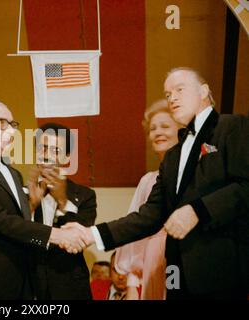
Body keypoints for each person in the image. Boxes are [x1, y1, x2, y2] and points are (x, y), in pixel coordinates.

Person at [63, 67, 249, 299]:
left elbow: (245, 187)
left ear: (204, 91)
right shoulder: (172, 157)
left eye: (179, 89)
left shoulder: (232, 127)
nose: (172, 98)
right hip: (174, 273)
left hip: (221, 273)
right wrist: (92, 234)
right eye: (168, 94)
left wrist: (198, 210)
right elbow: (150, 214)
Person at [0, 100, 87, 299]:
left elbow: (20, 224)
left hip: (21, 279)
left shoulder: (14, 174)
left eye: (13, 125)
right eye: (2, 124)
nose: (12, 132)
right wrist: (55, 235)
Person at [114, 99, 179, 300]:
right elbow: (136, 232)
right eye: (153, 128)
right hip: (152, 261)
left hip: (178, 261)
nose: (158, 132)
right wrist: (133, 283)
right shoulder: (148, 181)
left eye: (165, 126)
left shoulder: (197, 175)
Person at [28, 123, 97, 300]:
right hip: (29, 284)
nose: (48, 156)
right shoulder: (22, 193)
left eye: (55, 150)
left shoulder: (84, 195)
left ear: (67, 157)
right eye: (43, 148)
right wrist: (31, 206)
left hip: (69, 286)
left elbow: (80, 238)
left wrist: (62, 202)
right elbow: (11, 231)